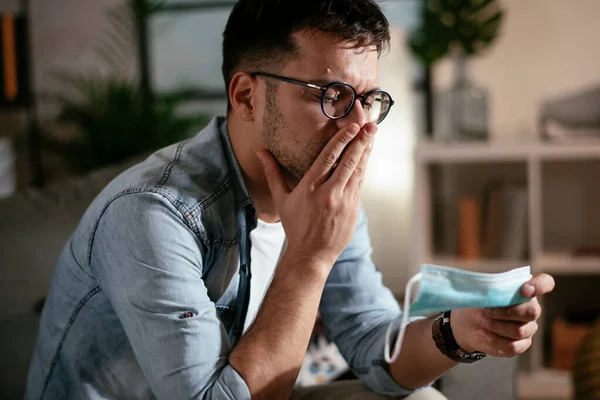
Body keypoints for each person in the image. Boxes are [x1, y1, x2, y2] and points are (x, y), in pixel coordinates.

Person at [26, 1, 555, 399]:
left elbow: (373, 345)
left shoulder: (322, 189)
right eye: (332, 96)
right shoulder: (151, 214)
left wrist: (458, 331)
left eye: (369, 99)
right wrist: (310, 256)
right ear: (247, 96)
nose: (360, 128)